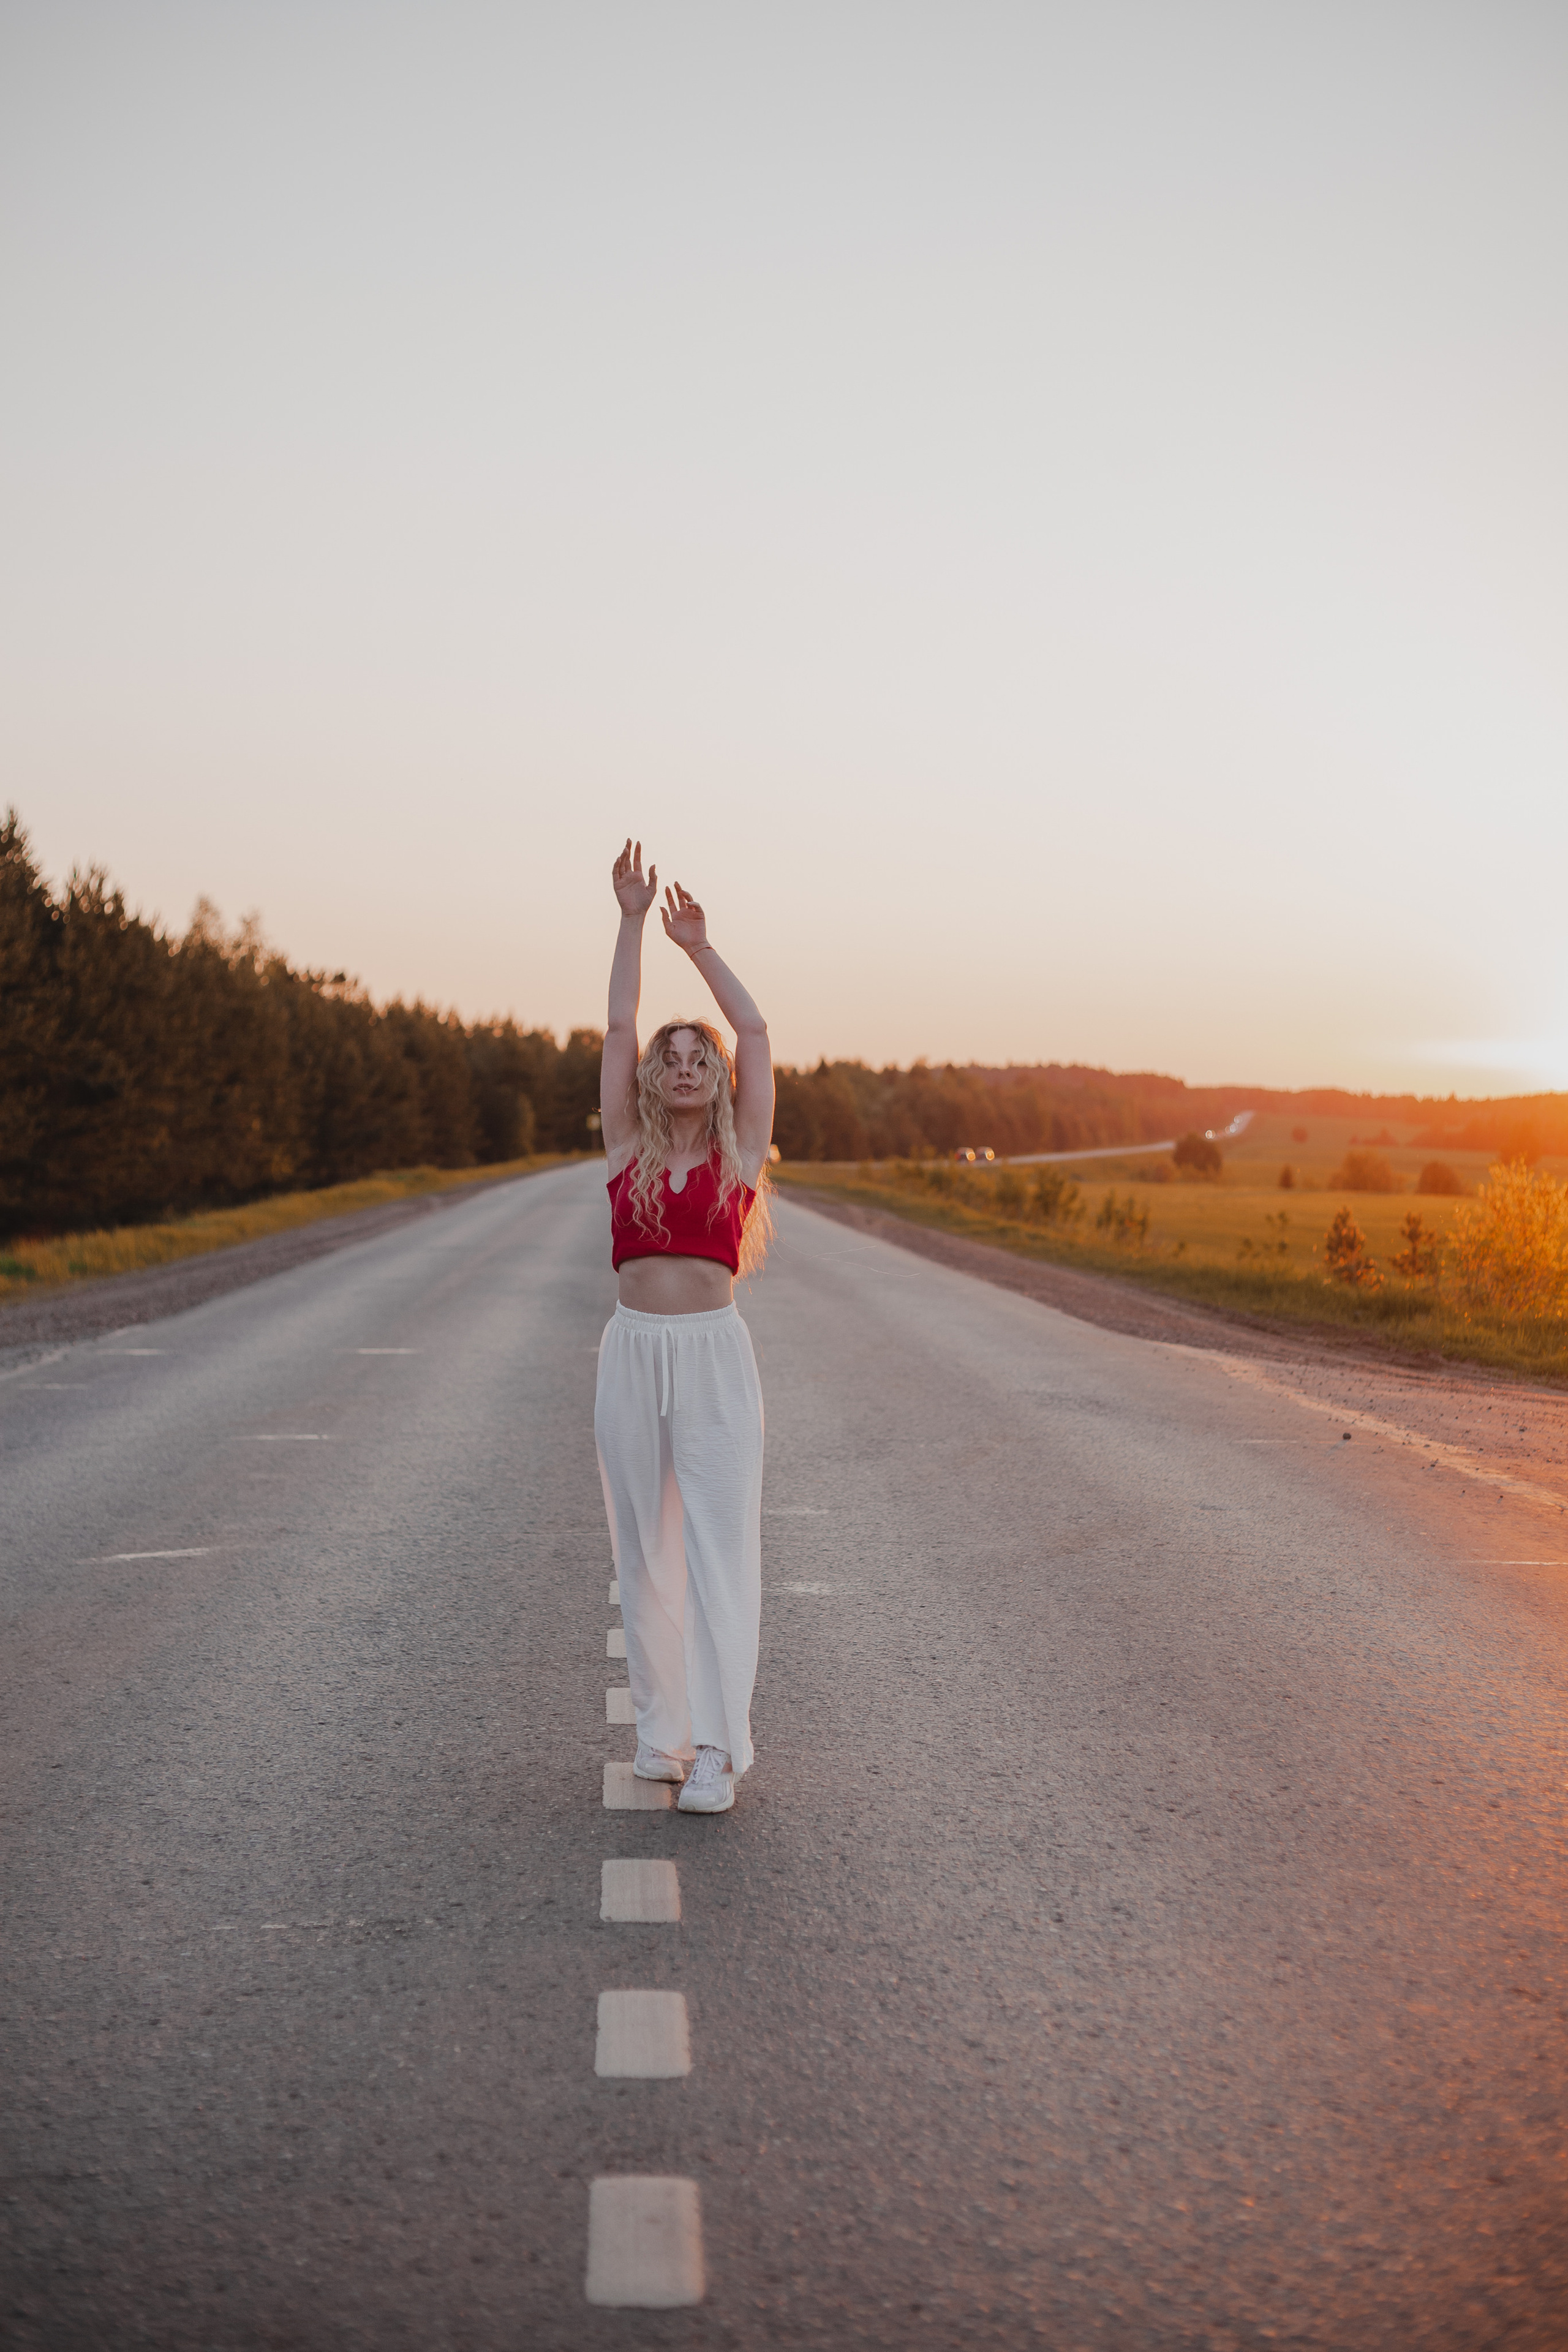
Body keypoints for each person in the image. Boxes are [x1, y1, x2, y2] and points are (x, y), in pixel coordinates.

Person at [595, 839, 774, 1816]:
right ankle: (663, 1737)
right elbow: (620, 1025)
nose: (686, 1064)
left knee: (715, 1547)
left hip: (712, 1358)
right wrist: (629, 922)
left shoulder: (743, 1153)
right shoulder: (626, 1147)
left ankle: (718, 1748)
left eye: (698, 1056)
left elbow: (753, 1027)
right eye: (673, 1058)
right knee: (645, 1551)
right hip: (632, 1351)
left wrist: (699, 950)